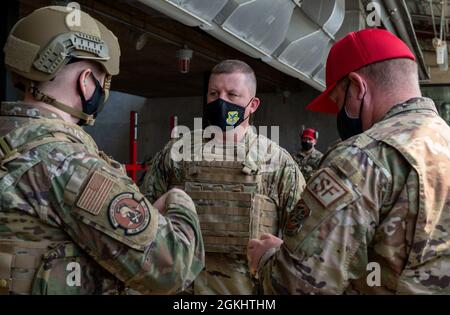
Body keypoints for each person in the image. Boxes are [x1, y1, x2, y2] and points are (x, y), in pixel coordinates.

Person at [0, 5, 204, 295]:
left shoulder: (13, 143)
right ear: (85, 82)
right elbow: (173, 268)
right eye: (102, 80)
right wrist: (179, 200)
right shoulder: (67, 164)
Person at [247, 28, 450, 294]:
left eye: (338, 100)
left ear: (357, 87)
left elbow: (296, 285)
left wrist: (267, 259)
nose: (339, 113)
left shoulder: (361, 157)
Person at [140, 59, 305, 294]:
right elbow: (145, 217)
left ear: (252, 104)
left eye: (232, 95)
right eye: (214, 93)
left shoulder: (277, 162)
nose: (221, 102)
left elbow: (304, 241)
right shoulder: (177, 152)